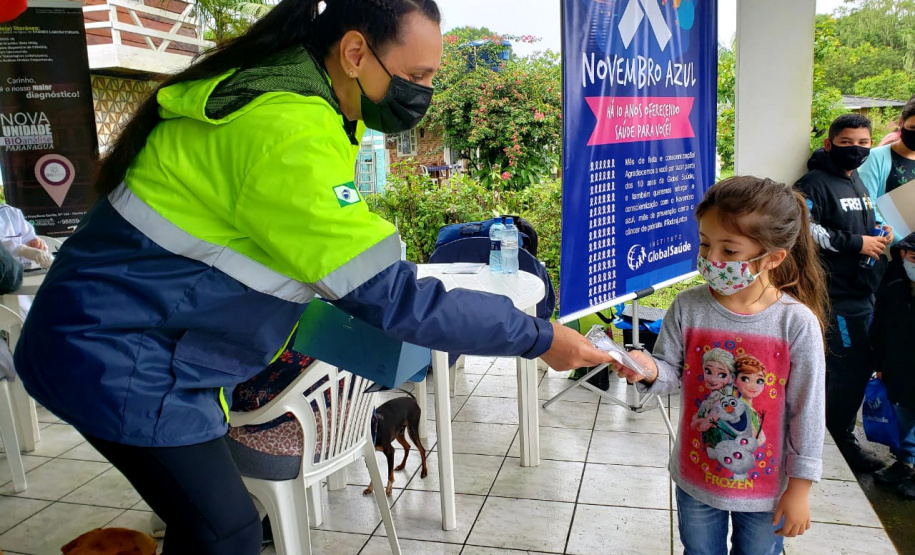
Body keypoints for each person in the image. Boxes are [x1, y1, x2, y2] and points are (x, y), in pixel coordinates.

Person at [11, 1, 614, 554]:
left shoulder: (297, 103)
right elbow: (396, 299)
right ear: (355, 53)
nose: (424, 91)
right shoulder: (285, 130)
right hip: (115, 356)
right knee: (227, 532)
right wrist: (540, 337)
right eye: (420, 74)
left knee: (211, 523)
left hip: (143, 345)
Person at [614, 177, 827, 554]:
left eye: (729, 250)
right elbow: (672, 372)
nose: (712, 259)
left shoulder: (795, 323)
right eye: (705, 243)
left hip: (766, 488)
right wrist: (647, 368)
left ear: (773, 257)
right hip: (697, 478)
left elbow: (806, 409)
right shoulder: (688, 306)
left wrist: (801, 486)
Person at [795, 113, 891, 472]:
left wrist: (880, 233)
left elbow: (867, 222)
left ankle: (838, 435)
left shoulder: (857, 182)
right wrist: (856, 243)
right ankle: (839, 441)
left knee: (859, 367)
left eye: (863, 143)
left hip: (865, 291)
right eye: (847, 143)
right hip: (835, 295)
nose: (856, 150)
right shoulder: (813, 183)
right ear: (829, 144)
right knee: (848, 370)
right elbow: (806, 231)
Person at [870, 231, 915, 499]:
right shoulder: (894, 284)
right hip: (899, 366)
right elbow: (879, 328)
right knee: (902, 417)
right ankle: (903, 463)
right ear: (903, 255)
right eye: (913, 257)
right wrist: (879, 363)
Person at [859, 95, 915, 285]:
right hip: (888, 252)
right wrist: (903, 244)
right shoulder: (876, 158)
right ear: (901, 123)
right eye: (913, 128)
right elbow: (867, 203)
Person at [0, 204, 51, 269]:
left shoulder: (10, 212)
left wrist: (36, 246)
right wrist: (22, 250)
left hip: (19, 275)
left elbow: (29, 239)